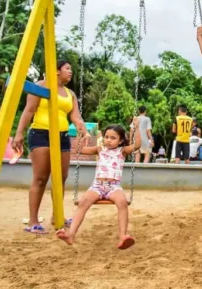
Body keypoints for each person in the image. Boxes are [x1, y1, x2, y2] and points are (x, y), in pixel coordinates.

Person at [13, 59, 89, 234]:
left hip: (62, 136)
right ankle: (33, 221)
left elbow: (76, 117)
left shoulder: (70, 94)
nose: (70, 72)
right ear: (56, 71)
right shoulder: (40, 86)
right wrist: (19, 133)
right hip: (41, 134)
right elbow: (29, 110)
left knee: (60, 177)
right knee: (40, 177)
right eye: (67, 68)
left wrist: (84, 132)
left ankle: (57, 216)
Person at [56, 123, 140, 249]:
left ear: (121, 140)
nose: (108, 140)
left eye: (113, 138)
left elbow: (137, 145)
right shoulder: (99, 149)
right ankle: (71, 235)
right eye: (106, 137)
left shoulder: (122, 151)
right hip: (97, 185)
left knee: (122, 203)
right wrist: (80, 134)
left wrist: (136, 128)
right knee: (83, 203)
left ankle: (123, 237)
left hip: (114, 186)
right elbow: (78, 150)